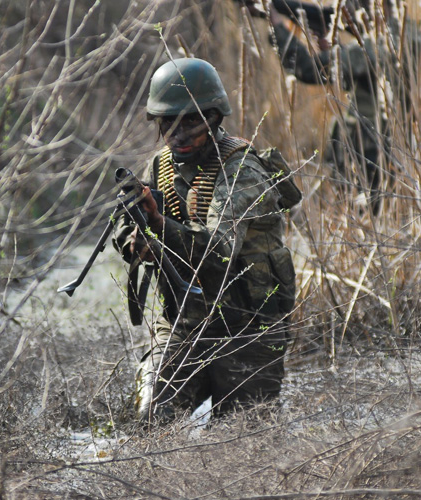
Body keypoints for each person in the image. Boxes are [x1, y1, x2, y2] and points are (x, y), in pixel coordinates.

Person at [113, 57, 297, 425]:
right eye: (168, 123)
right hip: (185, 319)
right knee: (150, 416)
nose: (178, 134)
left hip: (249, 325)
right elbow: (125, 226)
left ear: (214, 118)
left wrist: (160, 224)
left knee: (245, 436)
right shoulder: (160, 166)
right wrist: (134, 240)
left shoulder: (243, 171)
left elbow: (220, 250)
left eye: (191, 122)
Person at [268, 0, 421, 214]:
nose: (347, 15)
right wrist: (331, 50)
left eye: (351, 9)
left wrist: (276, 25)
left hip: (369, 153)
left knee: (367, 214)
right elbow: (376, 79)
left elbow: (306, 69)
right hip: (412, 149)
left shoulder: (370, 49)